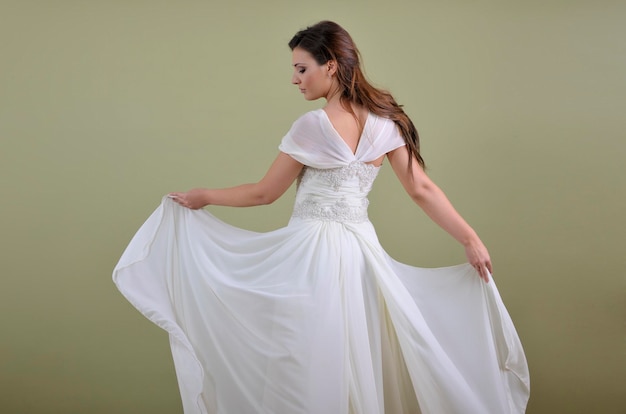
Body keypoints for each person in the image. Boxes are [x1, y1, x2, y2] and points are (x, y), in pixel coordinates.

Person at [113, 21, 529, 414]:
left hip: (310, 254)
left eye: (301, 68)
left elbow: (264, 193)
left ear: (329, 65)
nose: (295, 79)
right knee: (348, 355)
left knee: (300, 360)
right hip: (360, 254)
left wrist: (204, 196)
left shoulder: (312, 126)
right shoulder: (386, 124)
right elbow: (421, 190)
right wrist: (470, 239)